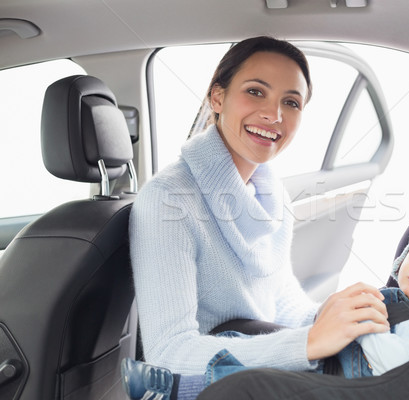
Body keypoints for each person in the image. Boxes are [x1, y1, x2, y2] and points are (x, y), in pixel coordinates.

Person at [127, 36, 390, 400]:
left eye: (291, 102)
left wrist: (332, 315)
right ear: (217, 97)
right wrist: (308, 343)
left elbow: (279, 301)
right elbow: (169, 356)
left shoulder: (271, 195)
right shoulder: (168, 199)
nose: (274, 115)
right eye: (255, 92)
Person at [122, 206, 409, 399]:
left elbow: (400, 361)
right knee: (239, 346)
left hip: (354, 378)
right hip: (342, 361)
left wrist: (363, 329)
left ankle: (171, 387)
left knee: (260, 377)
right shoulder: (395, 296)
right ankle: (172, 384)